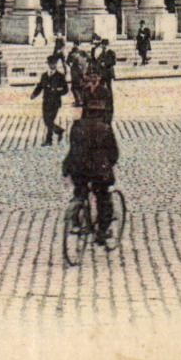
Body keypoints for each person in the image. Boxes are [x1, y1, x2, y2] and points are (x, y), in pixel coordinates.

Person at [61, 67, 119, 246]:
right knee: (103, 196)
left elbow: (72, 149)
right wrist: (109, 164)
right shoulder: (105, 129)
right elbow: (114, 153)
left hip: (78, 169)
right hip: (97, 170)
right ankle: (102, 231)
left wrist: (67, 168)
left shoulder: (77, 127)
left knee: (80, 190)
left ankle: (77, 219)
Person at [30, 54, 69, 145]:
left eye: (54, 63)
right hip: (46, 101)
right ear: (48, 64)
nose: (53, 65)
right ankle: (59, 131)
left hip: (55, 102)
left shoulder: (60, 76)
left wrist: (57, 91)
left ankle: (49, 140)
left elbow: (66, 90)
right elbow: (40, 86)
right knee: (46, 120)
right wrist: (34, 94)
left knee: (50, 119)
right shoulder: (44, 75)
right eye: (51, 63)